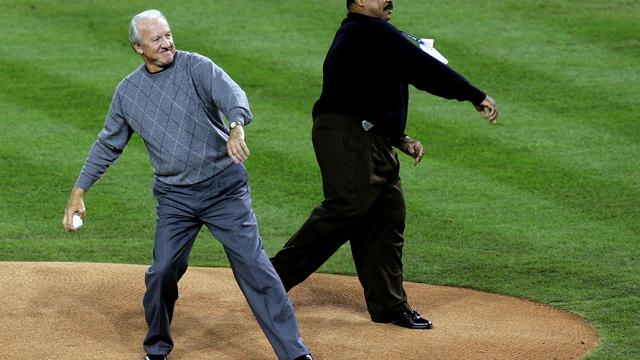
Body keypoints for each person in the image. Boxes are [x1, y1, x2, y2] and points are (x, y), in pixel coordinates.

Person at [62, 9, 314, 360]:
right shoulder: (128, 93)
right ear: (138, 48)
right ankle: (157, 347)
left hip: (224, 191)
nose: (166, 43)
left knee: (257, 270)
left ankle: (294, 353)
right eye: (156, 39)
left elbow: (233, 95)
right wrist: (79, 191)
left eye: (167, 35)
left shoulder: (196, 66)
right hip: (175, 199)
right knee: (162, 272)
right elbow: (108, 143)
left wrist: (237, 124)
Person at [270, 0, 499, 330]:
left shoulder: (368, 37)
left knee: (386, 216)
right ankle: (271, 279)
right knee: (346, 209)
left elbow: (371, 92)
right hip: (346, 134)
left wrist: (399, 138)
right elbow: (424, 70)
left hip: (370, 137)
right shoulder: (366, 31)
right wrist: (474, 95)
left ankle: (389, 304)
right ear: (360, 1)